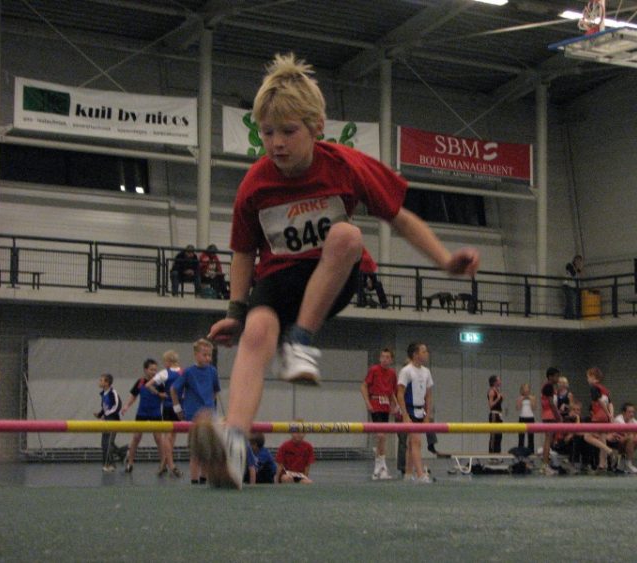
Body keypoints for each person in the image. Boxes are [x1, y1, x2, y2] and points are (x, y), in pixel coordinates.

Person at [191, 53, 479, 489]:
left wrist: (444, 260)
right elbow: (243, 251)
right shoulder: (255, 183)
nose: (277, 143)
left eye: (289, 132)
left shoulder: (345, 165)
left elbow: (399, 217)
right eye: (267, 133)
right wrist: (235, 309)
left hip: (335, 275)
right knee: (256, 331)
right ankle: (233, 440)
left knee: (347, 236)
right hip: (280, 278)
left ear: (317, 127)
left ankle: (301, 343)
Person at [172, 339, 221, 485]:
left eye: (209, 355)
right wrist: (177, 408)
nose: (208, 358)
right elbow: (174, 389)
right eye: (204, 355)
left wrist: (209, 405)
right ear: (196, 355)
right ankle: (194, 480)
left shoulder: (212, 371)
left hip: (209, 415)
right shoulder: (188, 372)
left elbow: (215, 390)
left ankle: (204, 478)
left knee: (208, 450)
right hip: (193, 415)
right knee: (195, 451)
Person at [120, 359, 167, 474]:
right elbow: (133, 396)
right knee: (136, 438)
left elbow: (165, 396)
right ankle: (130, 463)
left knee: (158, 439)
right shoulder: (140, 382)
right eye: (151, 369)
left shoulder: (159, 382)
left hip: (155, 413)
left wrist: (156, 392)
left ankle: (163, 464)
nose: (153, 372)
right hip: (142, 413)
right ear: (145, 370)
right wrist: (126, 406)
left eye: (155, 370)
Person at [397, 342, 434, 483]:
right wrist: (405, 415)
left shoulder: (426, 372)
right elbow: (400, 393)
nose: (426, 354)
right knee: (416, 442)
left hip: (421, 412)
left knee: (412, 443)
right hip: (409, 410)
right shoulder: (406, 371)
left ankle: (407, 473)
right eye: (423, 351)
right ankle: (420, 474)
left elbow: (429, 395)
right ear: (415, 354)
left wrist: (427, 415)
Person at [360, 348, 398, 480]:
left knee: (383, 437)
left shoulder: (393, 374)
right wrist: (368, 402)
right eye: (382, 356)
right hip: (375, 405)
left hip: (386, 407)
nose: (385, 359)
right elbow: (363, 386)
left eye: (387, 357)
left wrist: (394, 405)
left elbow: (392, 392)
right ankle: (378, 466)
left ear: (391, 360)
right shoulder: (374, 370)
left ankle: (382, 468)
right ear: (379, 358)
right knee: (380, 435)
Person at [146, 350, 183, 478]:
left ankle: (168, 464)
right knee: (172, 436)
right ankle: (167, 464)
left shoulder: (164, 373)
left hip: (168, 406)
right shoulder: (183, 372)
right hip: (179, 407)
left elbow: (148, 384)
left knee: (168, 436)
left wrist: (159, 393)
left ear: (167, 361)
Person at [584, 367, 618, 472]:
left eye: (588, 377)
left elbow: (600, 402)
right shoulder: (605, 389)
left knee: (587, 437)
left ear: (594, 377)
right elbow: (610, 403)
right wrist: (611, 415)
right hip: (605, 417)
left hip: (598, 416)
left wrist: (608, 413)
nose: (587, 379)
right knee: (602, 439)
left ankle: (610, 451)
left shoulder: (594, 388)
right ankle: (602, 464)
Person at [608, 402, 637, 474]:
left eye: (633, 412)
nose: (632, 414)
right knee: (631, 437)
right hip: (616, 444)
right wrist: (636, 435)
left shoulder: (633, 420)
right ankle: (628, 464)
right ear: (623, 412)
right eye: (629, 412)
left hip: (625, 442)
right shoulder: (618, 420)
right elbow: (628, 434)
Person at [94, 373, 126, 472]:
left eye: (101, 380)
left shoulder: (113, 392)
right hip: (107, 420)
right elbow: (105, 407)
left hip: (113, 420)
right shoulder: (103, 394)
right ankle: (122, 454)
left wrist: (106, 415)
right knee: (105, 443)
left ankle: (109, 464)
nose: (99, 382)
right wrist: (99, 415)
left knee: (108, 443)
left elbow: (117, 406)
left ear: (107, 383)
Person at [539, 368, 562, 475]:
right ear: (550, 377)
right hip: (549, 416)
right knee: (548, 440)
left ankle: (546, 465)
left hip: (549, 415)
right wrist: (558, 416)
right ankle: (545, 465)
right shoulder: (549, 386)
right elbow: (551, 403)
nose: (558, 378)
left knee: (549, 440)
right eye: (556, 376)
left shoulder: (551, 387)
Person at [516, 383, 536, 454]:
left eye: (527, 388)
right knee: (521, 436)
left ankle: (531, 451)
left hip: (530, 417)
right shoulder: (520, 398)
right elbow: (518, 408)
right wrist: (521, 399)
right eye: (525, 388)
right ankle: (520, 451)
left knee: (531, 436)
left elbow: (534, 408)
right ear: (522, 390)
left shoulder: (532, 397)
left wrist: (530, 399)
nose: (526, 390)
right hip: (522, 417)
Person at [563, 254, 583, 319]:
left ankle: (569, 315)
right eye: (577, 260)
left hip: (574, 287)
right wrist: (577, 268)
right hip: (568, 286)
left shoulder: (578, 269)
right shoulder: (569, 265)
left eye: (580, 261)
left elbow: (580, 277)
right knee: (571, 300)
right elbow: (573, 274)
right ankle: (571, 315)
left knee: (572, 301)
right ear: (574, 260)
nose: (579, 262)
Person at [487, 375, 503, 453]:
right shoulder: (491, 391)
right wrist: (497, 398)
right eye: (499, 380)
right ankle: (492, 455)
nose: (500, 381)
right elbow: (491, 405)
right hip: (494, 415)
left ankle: (497, 454)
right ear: (494, 382)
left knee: (499, 436)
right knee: (494, 435)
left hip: (499, 415)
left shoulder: (497, 391)